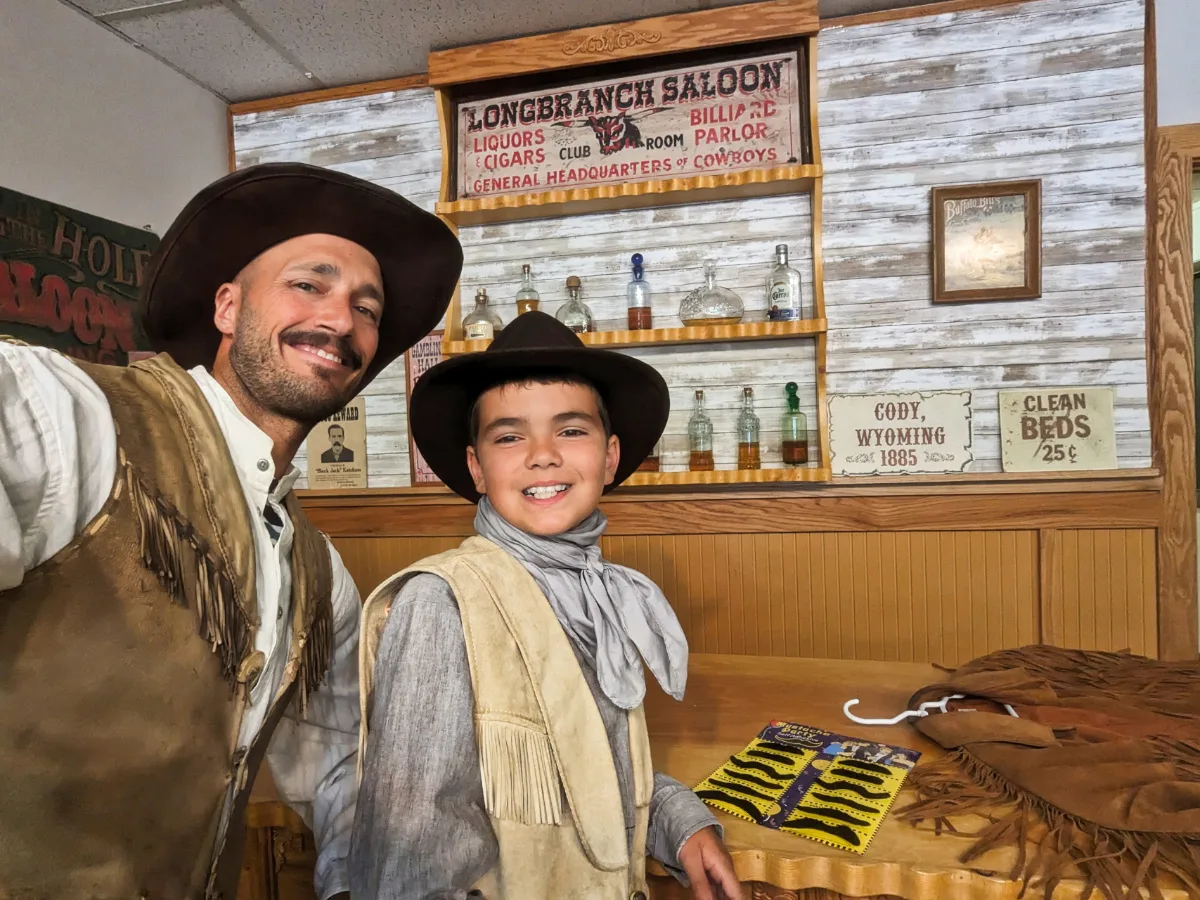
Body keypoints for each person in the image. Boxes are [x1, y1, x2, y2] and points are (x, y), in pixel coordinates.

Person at [0, 162, 462, 900]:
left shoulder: (321, 575)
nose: (341, 321)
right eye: (309, 285)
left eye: (367, 309)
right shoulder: (73, 417)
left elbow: (337, 761)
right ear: (226, 307)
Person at [351, 311, 741, 900]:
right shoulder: (442, 606)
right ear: (477, 467)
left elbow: (587, 766)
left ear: (609, 458)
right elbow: (410, 863)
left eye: (570, 430)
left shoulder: (603, 594)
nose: (542, 455)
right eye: (509, 436)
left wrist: (676, 820)